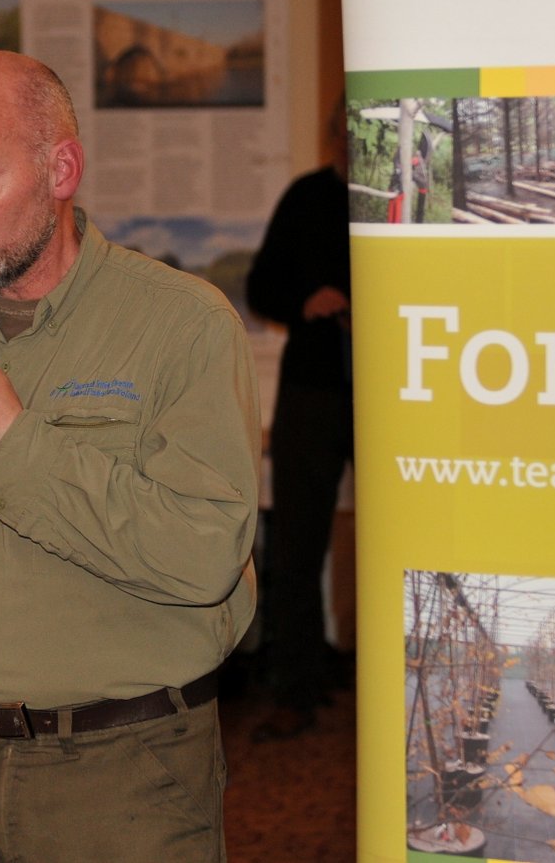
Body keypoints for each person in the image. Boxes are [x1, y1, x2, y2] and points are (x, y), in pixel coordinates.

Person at [0, 51, 259, 862]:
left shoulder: (183, 325)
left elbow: (205, 555)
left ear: (61, 170)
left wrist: (14, 443)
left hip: (121, 777)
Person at [245, 105, 354, 743]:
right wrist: (307, 301)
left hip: (395, 393)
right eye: (347, 132)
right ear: (333, 135)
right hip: (313, 391)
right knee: (295, 546)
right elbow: (261, 288)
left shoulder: (410, 202)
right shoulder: (307, 198)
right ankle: (295, 689)